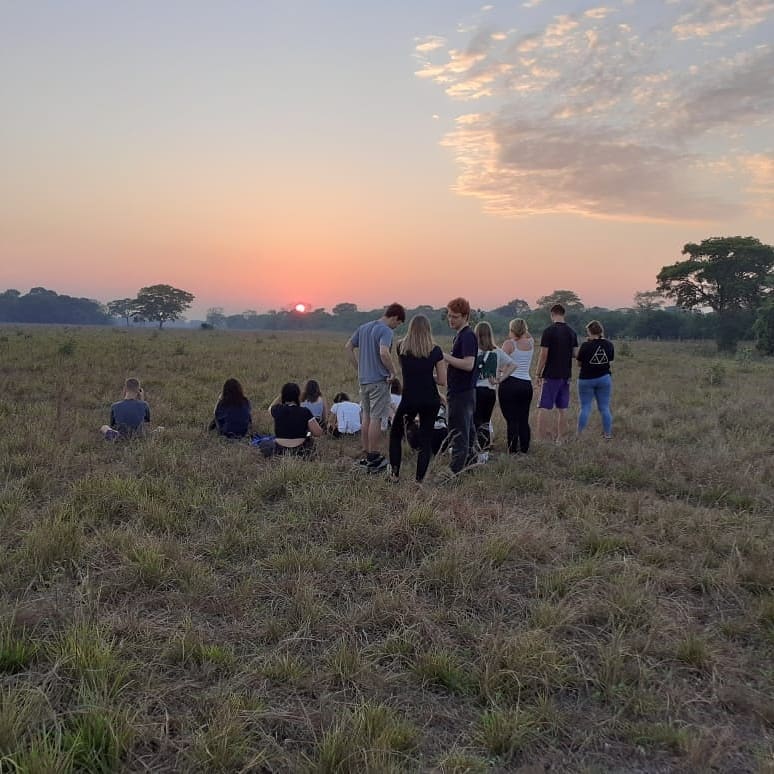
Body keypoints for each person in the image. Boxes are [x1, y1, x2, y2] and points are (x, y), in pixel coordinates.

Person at [345, 302, 406, 472]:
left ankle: (366, 450)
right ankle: (374, 454)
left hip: (363, 380)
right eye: (398, 323)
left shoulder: (363, 327)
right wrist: (393, 372)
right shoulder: (386, 330)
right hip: (379, 381)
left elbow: (348, 347)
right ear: (394, 317)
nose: (396, 327)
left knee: (366, 416)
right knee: (376, 418)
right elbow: (384, 352)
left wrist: (358, 367)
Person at [388, 314, 447, 483]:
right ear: (428, 329)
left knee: (395, 435)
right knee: (426, 440)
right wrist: (428, 376)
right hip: (431, 399)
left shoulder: (401, 347)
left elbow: (405, 370)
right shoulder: (435, 350)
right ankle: (419, 481)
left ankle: (394, 475)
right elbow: (443, 380)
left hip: (410, 398)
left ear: (410, 328)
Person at [442, 297, 478, 473]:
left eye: (455, 316)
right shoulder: (460, 335)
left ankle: (454, 471)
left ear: (465, 316)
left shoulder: (468, 336)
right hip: (462, 390)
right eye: (449, 315)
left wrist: (444, 356)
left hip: (462, 393)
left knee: (458, 433)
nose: (451, 319)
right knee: (467, 431)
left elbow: (468, 364)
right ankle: (470, 464)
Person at [535, 303, 578, 443]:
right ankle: (561, 438)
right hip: (566, 374)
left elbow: (543, 354)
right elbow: (575, 353)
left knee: (544, 407)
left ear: (552, 314)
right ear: (563, 314)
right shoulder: (572, 332)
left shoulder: (549, 331)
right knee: (562, 408)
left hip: (551, 374)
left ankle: (540, 439)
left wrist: (538, 372)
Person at [473, 321, 515, 451]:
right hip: (490, 391)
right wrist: (500, 379)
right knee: (485, 422)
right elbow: (513, 365)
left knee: (475, 422)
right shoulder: (497, 351)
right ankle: (484, 451)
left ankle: (475, 450)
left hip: (476, 390)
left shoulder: (474, 350)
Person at [498, 318, 534, 453]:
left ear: (511, 329)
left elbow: (500, 363)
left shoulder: (509, 344)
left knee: (511, 419)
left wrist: (502, 371)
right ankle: (524, 448)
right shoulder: (530, 343)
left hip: (510, 383)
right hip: (526, 383)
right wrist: (523, 330)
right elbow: (528, 335)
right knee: (524, 418)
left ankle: (512, 449)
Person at [576, 320, 615, 439]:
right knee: (604, 407)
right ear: (600, 331)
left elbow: (579, 363)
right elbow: (610, 359)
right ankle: (607, 434)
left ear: (589, 331)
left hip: (586, 379)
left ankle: (579, 434)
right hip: (604, 378)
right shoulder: (608, 344)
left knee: (585, 407)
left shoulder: (585, 345)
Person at [262, 382, 323, 457]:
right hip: (301, 450)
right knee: (311, 442)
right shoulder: (305, 412)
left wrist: (281, 395)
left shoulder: (277, 409)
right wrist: (308, 432)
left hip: (279, 449)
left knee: (265, 443)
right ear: (298, 396)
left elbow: (270, 408)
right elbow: (318, 433)